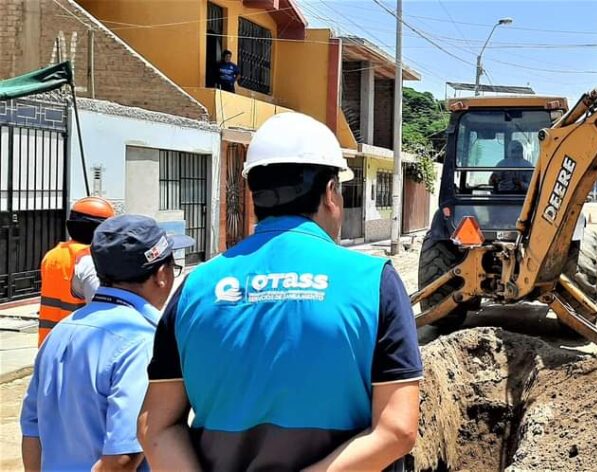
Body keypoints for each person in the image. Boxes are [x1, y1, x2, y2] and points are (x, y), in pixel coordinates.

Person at [139, 112, 422, 471]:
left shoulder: (195, 288)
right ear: (330, 193)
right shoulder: (374, 281)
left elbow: (156, 427)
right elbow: (397, 429)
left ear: (254, 193)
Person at [21, 215, 194, 471]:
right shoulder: (142, 341)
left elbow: (32, 431)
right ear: (161, 275)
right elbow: (122, 459)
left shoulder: (60, 331)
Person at [37, 196, 114, 346]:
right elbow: (101, 312)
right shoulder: (89, 261)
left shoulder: (52, 255)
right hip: (77, 347)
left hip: (49, 345)